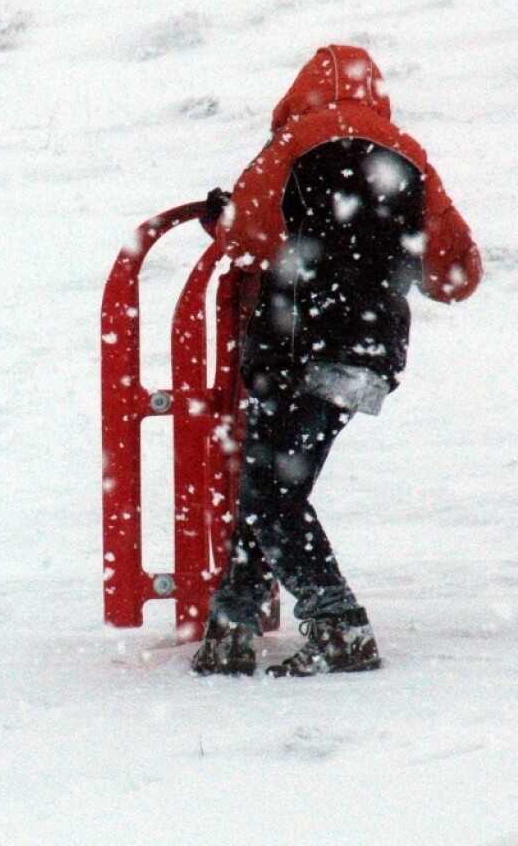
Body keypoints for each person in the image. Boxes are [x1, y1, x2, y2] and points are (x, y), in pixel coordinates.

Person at [190, 45, 482, 677]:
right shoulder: (408, 155)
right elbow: (459, 274)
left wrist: (224, 221)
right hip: (367, 355)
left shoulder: (296, 140)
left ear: (302, 92)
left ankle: (337, 623)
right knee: (274, 487)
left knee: (271, 495)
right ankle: (233, 624)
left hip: (294, 345)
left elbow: (248, 239)